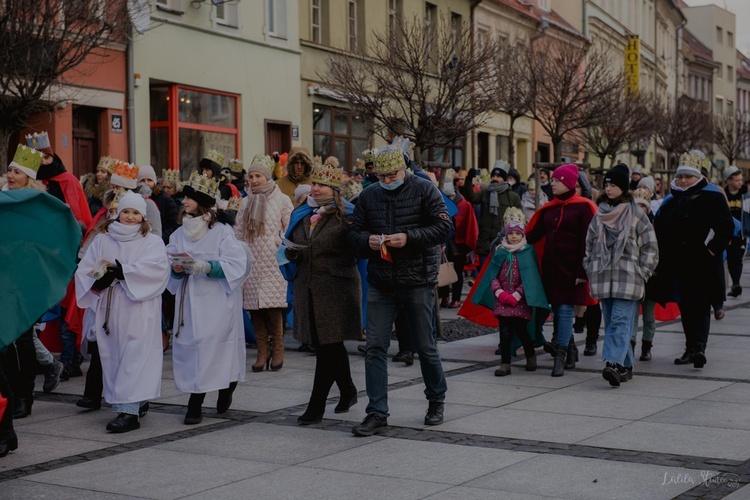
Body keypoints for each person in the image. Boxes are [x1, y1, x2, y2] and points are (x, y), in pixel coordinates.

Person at [348, 145, 451, 436]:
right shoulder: (369, 195)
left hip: (417, 279)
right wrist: (365, 240)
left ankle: (436, 400)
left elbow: (443, 228)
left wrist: (408, 238)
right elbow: (353, 234)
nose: (387, 179)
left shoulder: (424, 189)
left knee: (425, 346)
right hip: (381, 280)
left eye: (392, 174)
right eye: (381, 175)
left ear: (403, 168)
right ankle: (377, 412)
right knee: (375, 348)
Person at [75, 192, 170, 432]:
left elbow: (157, 270)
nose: (129, 217)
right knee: (113, 355)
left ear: (143, 216)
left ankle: (129, 414)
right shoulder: (104, 239)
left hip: (138, 307)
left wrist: (125, 272)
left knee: (134, 355)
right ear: (118, 212)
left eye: (135, 213)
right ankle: (133, 401)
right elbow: (86, 267)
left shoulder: (151, 241)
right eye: (126, 211)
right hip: (109, 307)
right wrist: (98, 281)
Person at [283, 159, 360, 424]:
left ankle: (316, 406)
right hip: (308, 286)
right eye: (314, 183)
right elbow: (296, 242)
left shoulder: (348, 215)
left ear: (335, 189)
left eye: (323, 185)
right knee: (327, 343)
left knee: (327, 347)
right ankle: (348, 389)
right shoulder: (302, 212)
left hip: (336, 288)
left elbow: (357, 249)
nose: (315, 189)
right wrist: (290, 253)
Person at [167, 172, 248, 424]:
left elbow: (238, 264)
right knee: (194, 351)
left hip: (216, 300)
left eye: (189, 198)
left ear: (200, 201)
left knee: (217, 349)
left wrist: (208, 267)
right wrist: (176, 269)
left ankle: (225, 387)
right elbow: (169, 259)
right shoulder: (179, 233)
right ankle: (196, 399)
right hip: (189, 301)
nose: (184, 201)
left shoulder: (221, 231)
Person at [651, 151, 734, 368]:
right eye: (680, 177)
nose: (683, 180)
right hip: (678, 264)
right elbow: (659, 231)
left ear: (697, 177)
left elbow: (726, 227)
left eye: (688, 177)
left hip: (704, 263)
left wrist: (712, 251)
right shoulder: (670, 201)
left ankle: (699, 347)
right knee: (686, 306)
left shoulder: (713, 197)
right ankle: (689, 347)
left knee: (702, 303)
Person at [583, 165, 658, 387]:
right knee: (613, 323)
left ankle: (613, 364)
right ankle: (626, 365)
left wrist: (642, 272)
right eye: (606, 184)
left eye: (613, 184)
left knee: (620, 320)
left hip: (629, 279)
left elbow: (651, 247)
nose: (608, 188)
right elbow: (589, 244)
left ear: (623, 187)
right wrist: (589, 266)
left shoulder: (636, 214)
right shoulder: (600, 215)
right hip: (603, 277)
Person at [525, 164, 597, 376]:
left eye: (556, 180)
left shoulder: (584, 207)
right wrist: (512, 239)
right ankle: (571, 349)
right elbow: (534, 235)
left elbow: (588, 242)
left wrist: (582, 273)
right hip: (551, 268)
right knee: (558, 310)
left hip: (573, 270)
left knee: (565, 310)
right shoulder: (550, 207)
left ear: (567, 182)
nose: (552, 184)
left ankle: (561, 355)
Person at [235, 158, 293, 372]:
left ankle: (278, 348)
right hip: (252, 262)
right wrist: (240, 251)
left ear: (267, 176)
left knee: (272, 308)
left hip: (273, 262)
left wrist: (278, 241)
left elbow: (291, 227)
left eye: (258, 175)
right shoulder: (245, 202)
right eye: (250, 177)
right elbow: (238, 231)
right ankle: (262, 351)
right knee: (255, 309)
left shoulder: (282, 199)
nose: (254, 180)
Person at [473, 208, 547, 376]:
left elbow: (531, 278)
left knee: (522, 330)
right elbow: (492, 275)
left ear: (523, 235)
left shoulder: (528, 251)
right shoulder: (500, 252)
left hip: (520, 301)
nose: (514, 236)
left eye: (517, 233)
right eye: (511, 233)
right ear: (505, 234)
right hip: (502, 299)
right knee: (504, 332)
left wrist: (517, 294)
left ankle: (530, 355)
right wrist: (499, 292)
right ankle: (505, 363)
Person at [461, 160, 522, 267]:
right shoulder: (485, 193)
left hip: (504, 243)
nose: (495, 178)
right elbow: (471, 197)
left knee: (500, 274)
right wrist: (469, 178)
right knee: (484, 275)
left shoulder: (513, 197)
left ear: (504, 179)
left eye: (498, 176)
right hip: (484, 243)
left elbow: (519, 220)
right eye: (493, 175)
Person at [631, 187, 658, 361]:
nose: (640, 209)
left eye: (643, 206)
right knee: (631, 314)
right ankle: (631, 343)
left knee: (648, 316)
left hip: (650, 277)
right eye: (637, 205)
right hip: (631, 276)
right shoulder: (627, 223)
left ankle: (647, 345)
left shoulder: (655, 226)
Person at [723, 166, 747, 297]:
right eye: (737, 180)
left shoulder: (745, 194)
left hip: (741, 233)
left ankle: (736, 283)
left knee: (737, 257)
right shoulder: (722, 194)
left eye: (741, 180)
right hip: (726, 233)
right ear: (729, 181)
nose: (740, 183)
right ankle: (733, 284)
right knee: (730, 258)